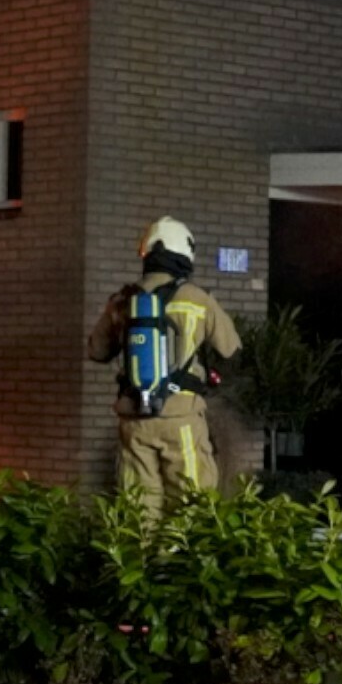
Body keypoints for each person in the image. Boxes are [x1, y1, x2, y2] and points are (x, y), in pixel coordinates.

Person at [86, 216, 241, 519]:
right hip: (181, 418)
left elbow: (97, 350)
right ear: (184, 253)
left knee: (139, 506)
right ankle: (181, 565)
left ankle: (145, 565)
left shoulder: (122, 300)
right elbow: (230, 347)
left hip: (134, 420)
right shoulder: (197, 300)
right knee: (192, 505)